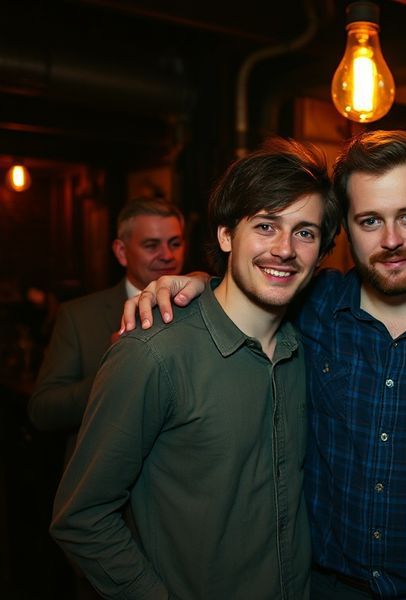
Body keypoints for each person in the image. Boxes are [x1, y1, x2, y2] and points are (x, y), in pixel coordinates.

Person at [121, 130, 406, 598]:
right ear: (347, 231)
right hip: (322, 588)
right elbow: (251, 281)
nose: (391, 240)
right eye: (368, 221)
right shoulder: (314, 306)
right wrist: (194, 283)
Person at [50, 139, 341, 599]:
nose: (285, 249)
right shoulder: (152, 354)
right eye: (266, 226)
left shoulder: (306, 348)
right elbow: (81, 517)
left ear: (320, 250)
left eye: (305, 232)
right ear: (226, 235)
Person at [29, 197, 185, 461]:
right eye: (151, 245)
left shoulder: (203, 307)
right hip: (108, 483)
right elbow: (43, 411)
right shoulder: (79, 316)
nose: (168, 256)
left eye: (175, 244)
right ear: (121, 252)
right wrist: (111, 372)